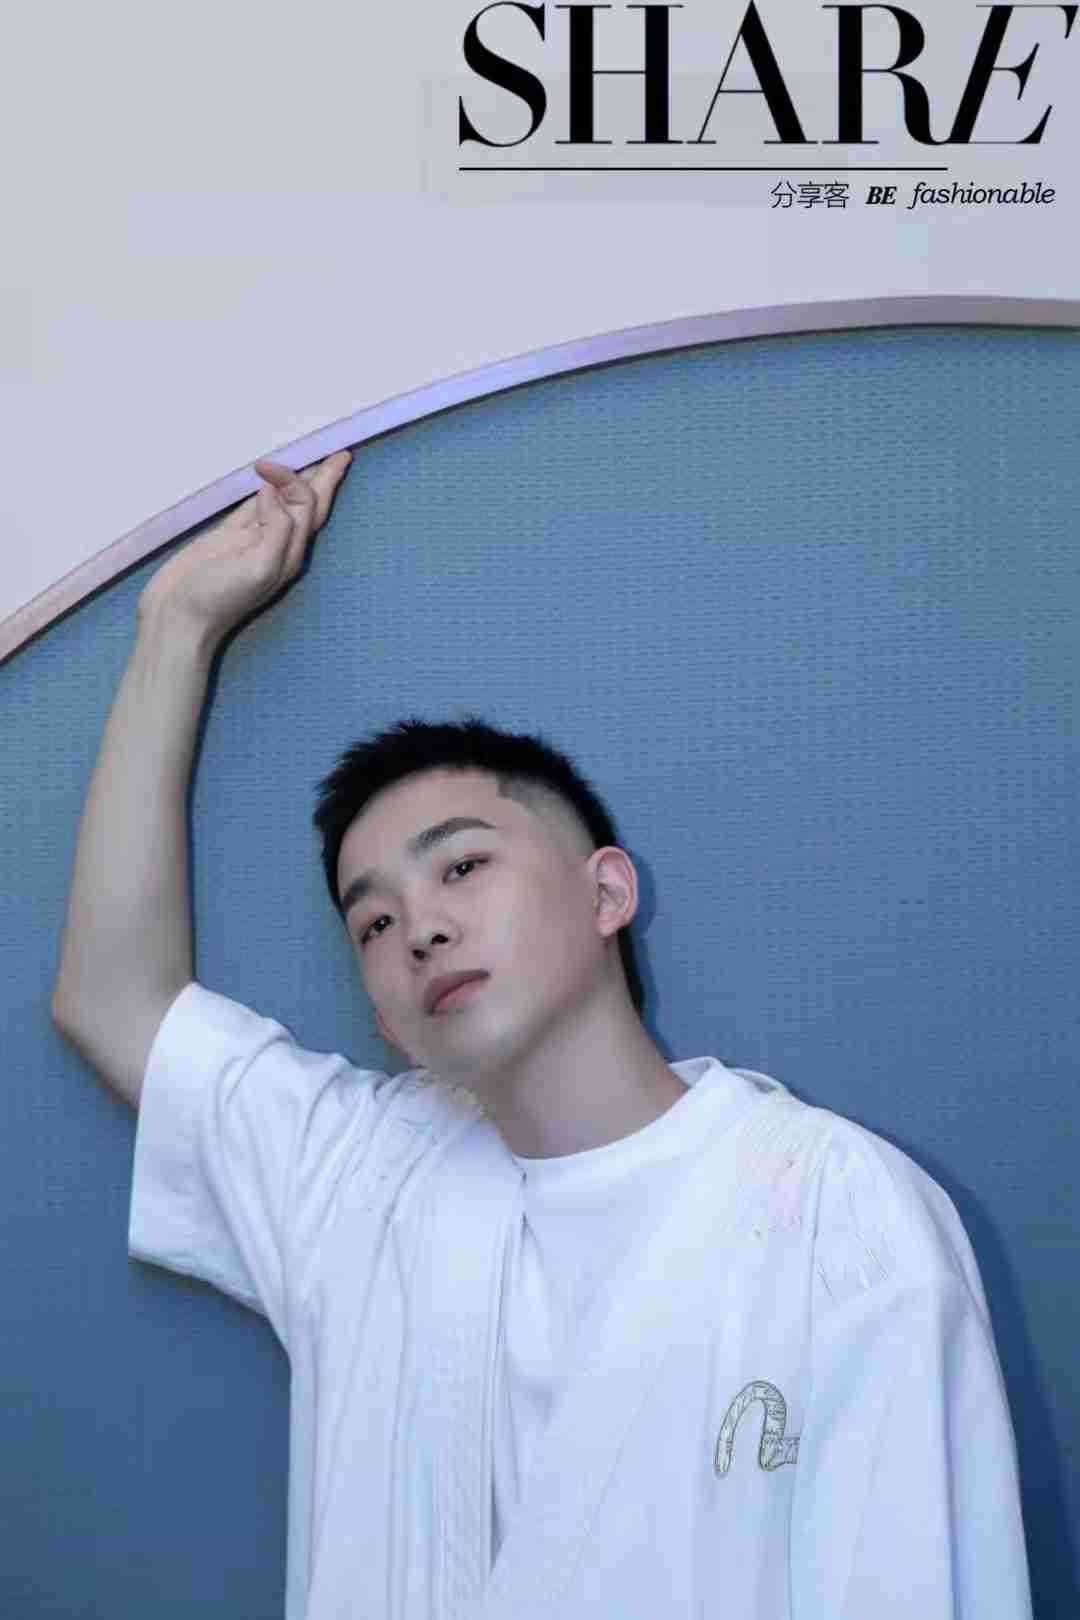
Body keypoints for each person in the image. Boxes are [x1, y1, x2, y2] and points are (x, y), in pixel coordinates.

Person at [52, 448, 1034, 1619]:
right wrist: (175, 623)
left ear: (607, 891)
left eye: (463, 866)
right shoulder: (356, 1183)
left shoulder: (841, 1214)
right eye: (373, 922)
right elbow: (114, 1002)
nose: (420, 928)